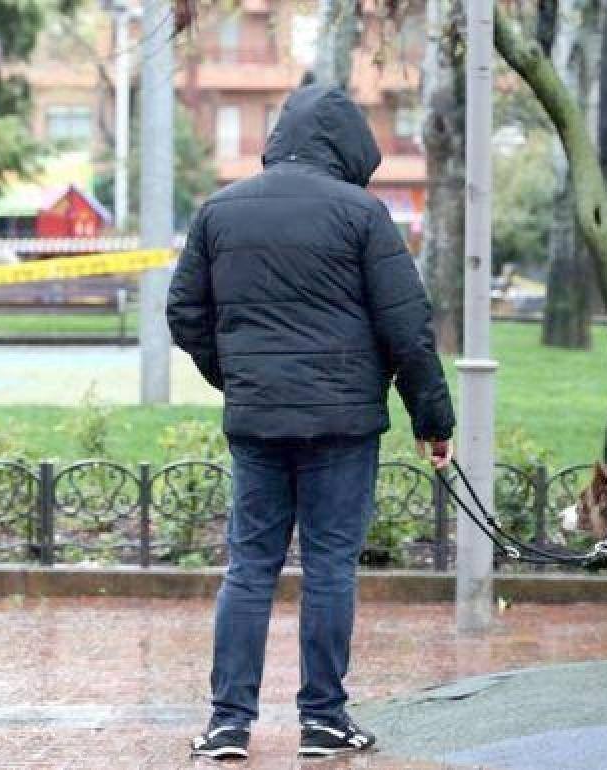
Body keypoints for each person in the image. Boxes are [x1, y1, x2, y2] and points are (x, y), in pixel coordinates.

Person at [165, 84, 456, 761]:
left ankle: (227, 724)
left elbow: (185, 314)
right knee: (329, 567)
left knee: (249, 567)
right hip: (343, 426)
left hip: (258, 423)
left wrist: (239, 377)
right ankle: (323, 720)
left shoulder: (220, 211)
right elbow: (407, 329)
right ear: (351, 145)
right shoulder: (363, 215)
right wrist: (432, 419)